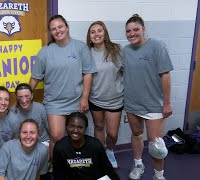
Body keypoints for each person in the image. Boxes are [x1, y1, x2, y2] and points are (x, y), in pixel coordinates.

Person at [29, 14, 97, 161]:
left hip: (77, 101)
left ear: (66, 27)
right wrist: (27, 97)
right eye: (53, 29)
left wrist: (85, 98)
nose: (57, 31)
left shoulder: (80, 47)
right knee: (56, 136)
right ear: (51, 32)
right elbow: (35, 78)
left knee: (78, 136)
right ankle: (56, 167)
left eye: (60, 26)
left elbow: (88, 74)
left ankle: (78, 165)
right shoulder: (45, 52)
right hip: (54, 103)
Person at [123, 14, 173, 180]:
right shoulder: (126, 51)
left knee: (155, 143)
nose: (132, 33)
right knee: (136, 134)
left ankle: (159, 175)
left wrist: (166, 103)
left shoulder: (157, 46)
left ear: (143, 29)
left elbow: (165, 76)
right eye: (128, 31)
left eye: (136, 29)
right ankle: (138, 165)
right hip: (132, 103)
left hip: (153, 104)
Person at [86, 21, 124, 168]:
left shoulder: (116, 49)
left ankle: (110, 150)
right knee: (99, 127)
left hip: (115, 99)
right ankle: (100, 154)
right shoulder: (87, 52)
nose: (96, 34)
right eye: (93, 32)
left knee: (113, 134)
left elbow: (125, 71)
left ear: (105, 33)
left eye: (99, 31)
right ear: (89, 37)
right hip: (95, 98)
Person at [53, 112, 120, 180]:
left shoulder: (95, 144)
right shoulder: (60, 147)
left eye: (80, 127)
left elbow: (107, 168)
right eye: (72, 126)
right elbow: (58, 174)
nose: (75, 130)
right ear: (67, 126)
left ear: (85, 128)